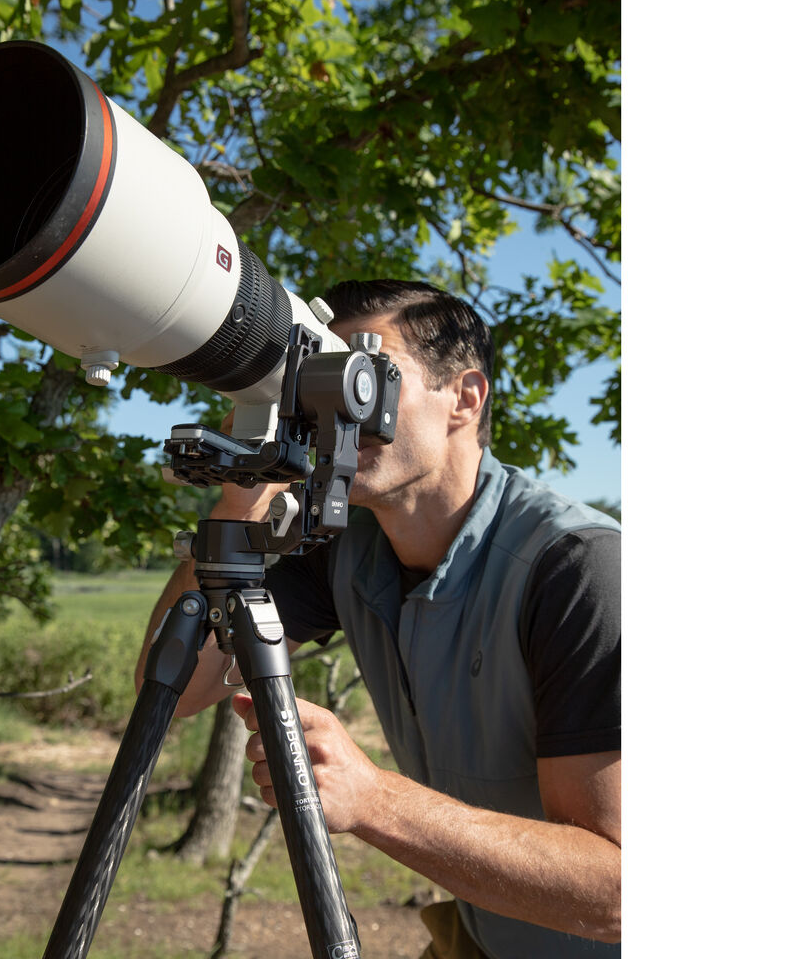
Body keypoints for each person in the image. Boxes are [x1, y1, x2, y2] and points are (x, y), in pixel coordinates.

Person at [136, 280, 621, 958]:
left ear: (465, 398)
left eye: (365, 378)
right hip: (483, 937)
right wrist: (243, 498)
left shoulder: (577, 568)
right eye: (318, 384)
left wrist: (373, 800)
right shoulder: (345, 548)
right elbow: (173, 689)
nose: (334, 411)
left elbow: (619, 894)